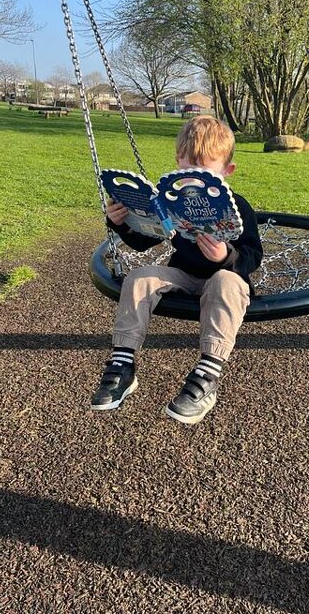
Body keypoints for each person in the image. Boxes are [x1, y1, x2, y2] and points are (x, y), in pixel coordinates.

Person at [91, 115, 263, 424]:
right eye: (186, 172)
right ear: (177, 164)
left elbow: (253, 255)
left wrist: (225, 255)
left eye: (204, 173)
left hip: (224, 281)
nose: (193, 181)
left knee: (226, 281)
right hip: (183, 275)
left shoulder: (238, 206)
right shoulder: (172, 203)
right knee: (139, 277)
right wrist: (121, 223)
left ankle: (207, 374)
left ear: (227, 171)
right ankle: (123, 365)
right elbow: (144, 241)